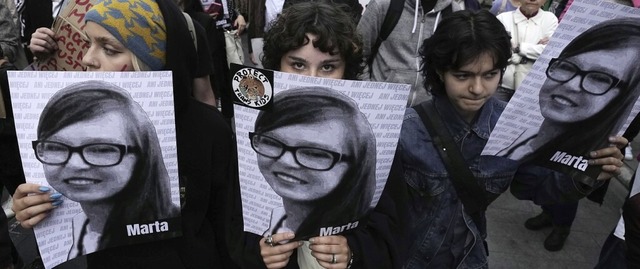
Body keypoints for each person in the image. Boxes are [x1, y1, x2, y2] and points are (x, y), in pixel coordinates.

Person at [10, 0, 240, 267]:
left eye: (109, 48)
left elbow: (227, 228)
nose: (87, 59)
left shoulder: (210, 130)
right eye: (88, 43)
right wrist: (32, 208)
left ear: (154, 58)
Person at [395, 9, 625, 268]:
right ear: (439, 72)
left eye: (490, 75)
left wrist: (589, 172)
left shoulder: (513, 125)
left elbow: (534, 186)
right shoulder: (406, 130)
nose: (477, 89)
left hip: (468, 257)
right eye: (463, 76)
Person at [241, 2, 408, 269]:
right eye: (297, 64)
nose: (312, 77)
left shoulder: (377, 138)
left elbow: (392, 232)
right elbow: (228, 234)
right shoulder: (244, 141)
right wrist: (257, 255)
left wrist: (353, 252)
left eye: (328, 67)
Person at [31, 80, 180, 259]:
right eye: (56, 147)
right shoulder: (81, 225)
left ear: (142, 155)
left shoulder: (174, 230)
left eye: (101, 149)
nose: (76, 164)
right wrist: (35, 215)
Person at [252, 86, 376, 239]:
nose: (286, 161)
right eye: (272, 142)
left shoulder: (368, 234)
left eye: (314, 153)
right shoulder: (276, 218)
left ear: (356, 164)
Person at [357, 0, 481, 107]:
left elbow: (455, 64)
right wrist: (369, 93)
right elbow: (358, 54)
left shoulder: (453, 12)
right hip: (381, 106)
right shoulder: (384, 4)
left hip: (428, 113)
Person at [495, 0, 557, 101]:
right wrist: (535, 48)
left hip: (531, 86)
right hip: (502, 84)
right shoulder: (503, 18)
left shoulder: (550, 19)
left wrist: (518, 47)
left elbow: (550, 51)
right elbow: (497, 49)